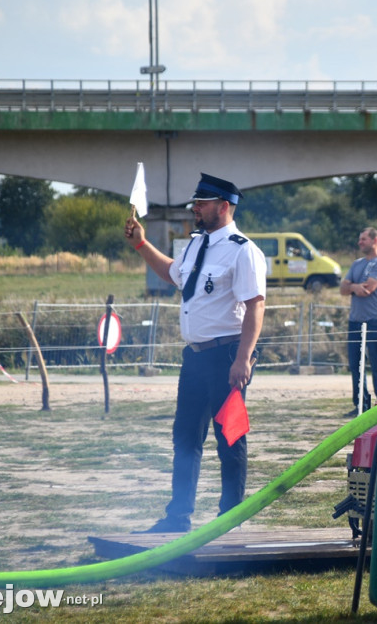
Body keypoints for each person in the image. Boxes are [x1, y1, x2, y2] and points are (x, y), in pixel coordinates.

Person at [125, 173, 267, 533]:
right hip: (195, 358)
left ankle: (229, 520)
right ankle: (178, 517)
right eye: (195, 203)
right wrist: (142, 245)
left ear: (224, 206)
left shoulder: (242, 249)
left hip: (227, 356)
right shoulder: (193, 245)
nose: (195, 209)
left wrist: (242, 359)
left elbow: (255, 307)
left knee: (230, 438)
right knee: (186, 437)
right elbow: (174, 275)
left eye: (201, 203)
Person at [340, 227, 377, 415]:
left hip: (375, 321)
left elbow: (367, 289)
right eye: (360, 239)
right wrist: (354, 286)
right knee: (356, 366)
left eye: (363, 239)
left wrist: (352, 286)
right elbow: (343, 289)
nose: (359, 242)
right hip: (355, 321)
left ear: (374, 240)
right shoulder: (356, 264)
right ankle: (360, 404)